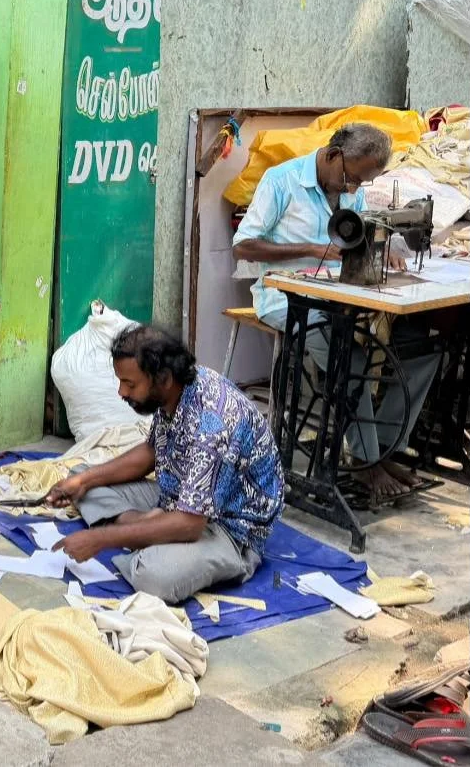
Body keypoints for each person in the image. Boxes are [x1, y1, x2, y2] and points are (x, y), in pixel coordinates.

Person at [232, 122, 440, 499]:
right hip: (286, 299)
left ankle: (384, 448)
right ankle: (366, 462)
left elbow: (357, 235)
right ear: (332, 156)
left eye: (360, 184)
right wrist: (309, 250)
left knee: (422, 347)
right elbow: (243, 246)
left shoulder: (351, 191)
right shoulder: (282, 182)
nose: (354, 191)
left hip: (339, 297)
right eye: (351, 179)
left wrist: (384, 249)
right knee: (351, 356)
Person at [46, 326, 284, 605]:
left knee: (152, 575)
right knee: (81, 477)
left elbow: (191, 525)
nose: (121, 391)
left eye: (130, 384)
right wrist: (84, 481)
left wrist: (99, 538)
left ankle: (145, 531)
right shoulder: (176, 391)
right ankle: (142, 525)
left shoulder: (212, 422)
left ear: (163, 379)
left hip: (227, 528)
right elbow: (151, 451)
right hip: (177, 496)